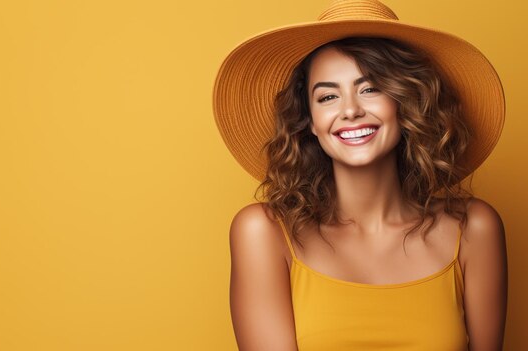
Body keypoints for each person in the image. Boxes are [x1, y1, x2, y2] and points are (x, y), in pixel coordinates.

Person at [212, 1, 508, 350]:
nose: (350, 110)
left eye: (370, 88)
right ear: (308, 121)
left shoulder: (474, 229)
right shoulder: (264, 232)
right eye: (327, 97)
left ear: (406, 101)